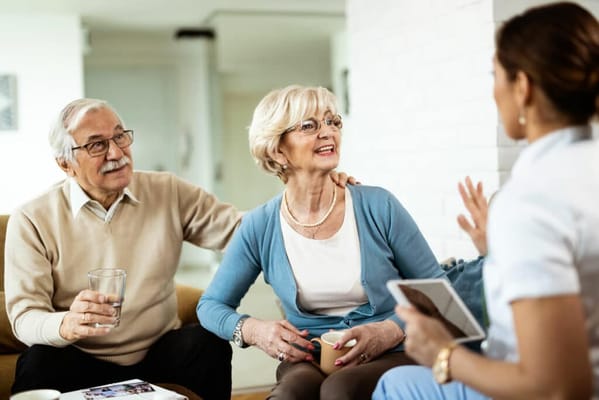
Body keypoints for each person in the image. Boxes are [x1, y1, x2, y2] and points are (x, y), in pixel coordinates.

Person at [3, 98, 353, 399]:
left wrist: (313, 193)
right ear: (65, 163)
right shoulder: (34, 218)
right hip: (78, 355)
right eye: (96, 144)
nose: (116, 153)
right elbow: (24, 316)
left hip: (157, 349)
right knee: (38, 361)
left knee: (207, 343)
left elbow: (243, 231)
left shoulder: (166, 191)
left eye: (120, 136)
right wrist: (66, 324)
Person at [197, 85, 484, 399]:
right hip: (312, 355)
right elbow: (210, 306)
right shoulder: (260, 226)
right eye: (310, 125)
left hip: (393, 349)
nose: (327, 132)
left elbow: (436, 290)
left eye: (333, 122)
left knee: (341, 389)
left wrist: (388, 330)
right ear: (278, 150)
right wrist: (254, 330)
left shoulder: (378, 206)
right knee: (291, 394)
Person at [373, 2, 599, 399]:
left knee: (395, 385)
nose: (493, 90)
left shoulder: (530, 201)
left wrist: (442, 354)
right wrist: (499, 252)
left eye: (495, 76)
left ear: (523, 86)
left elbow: (559, 387)